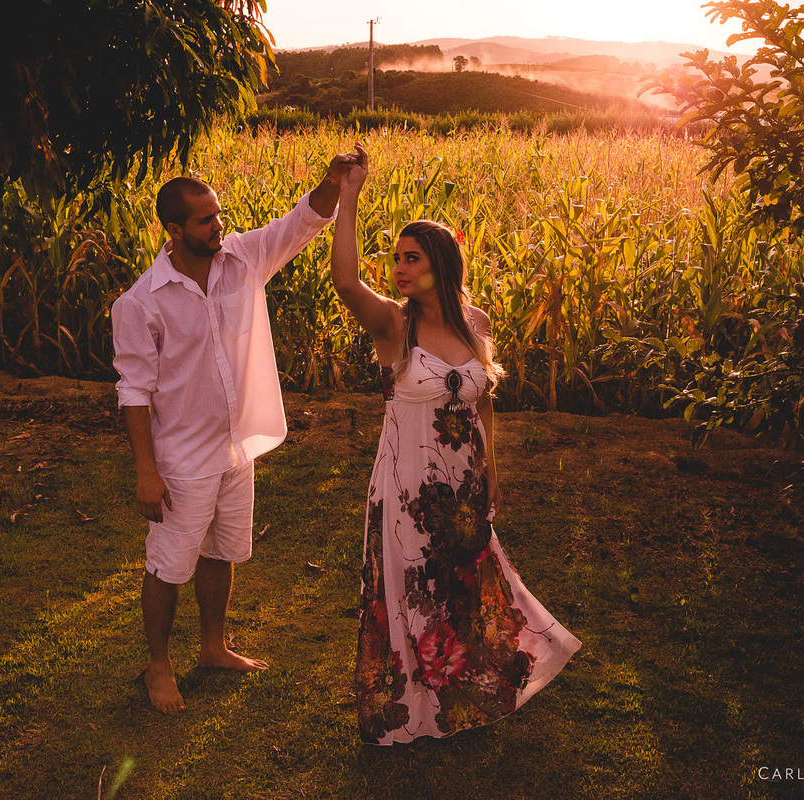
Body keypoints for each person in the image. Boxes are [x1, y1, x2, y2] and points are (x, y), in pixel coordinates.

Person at [330, 144, 582, 744]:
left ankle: (466, 691)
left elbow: (483, 402)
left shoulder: (478, 325)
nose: (399, 269)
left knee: (464, 585)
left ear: (440, 264)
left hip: (463, 483)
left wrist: (490, 466)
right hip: (406, 487)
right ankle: (411, 708)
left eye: (412, 259)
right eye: (396, 259)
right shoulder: (395, 325)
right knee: (408, 587)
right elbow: (344, 280)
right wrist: (348, 197)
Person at [112, 154, 353, 713]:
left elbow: (300, 224)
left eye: (219, 216)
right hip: (181, 460)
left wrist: (333, 182)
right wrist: (146, 471)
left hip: (235, 448)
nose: (219, 226)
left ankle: (213, 646)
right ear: (173, 230)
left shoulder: (243, 260)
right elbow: (133, 392)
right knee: (168, 565)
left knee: (222, 551)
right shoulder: (141, 302)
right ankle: (158, 665)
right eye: (205, 220)